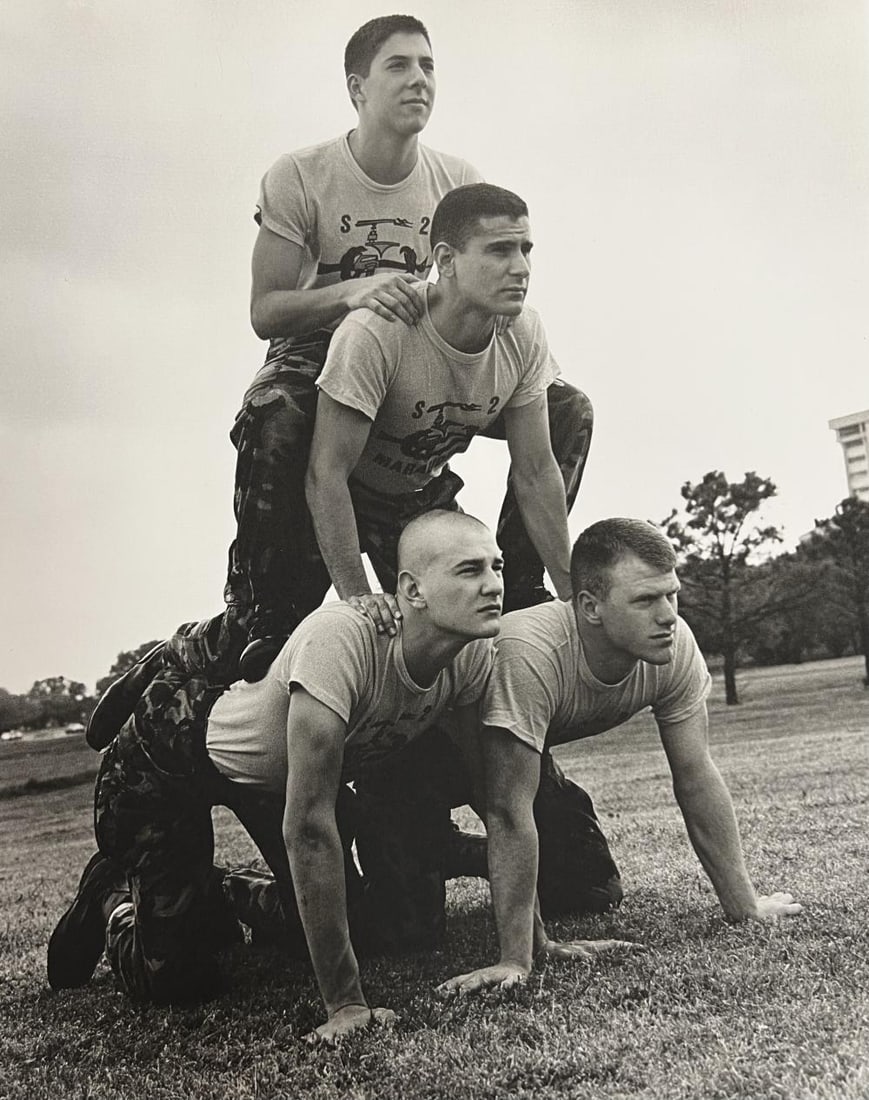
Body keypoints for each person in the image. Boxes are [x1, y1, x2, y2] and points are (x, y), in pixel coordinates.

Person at [216, 13, 593, 681]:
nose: (418, 79)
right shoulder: (302, 176)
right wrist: (352, 292)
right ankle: (261, 609)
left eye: (427, 65)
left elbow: (469, 294)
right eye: (398, 66)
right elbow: (265, 311)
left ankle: (525, 582)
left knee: (567, 407)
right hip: (322, 346)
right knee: (276, 413)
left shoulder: (454, 178)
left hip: (419, 352)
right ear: (357, 88)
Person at [48, 512, 503, 1043]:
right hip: (173, 747)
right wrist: (346, 1005)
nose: (493, 584)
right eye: (470, 570)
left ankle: (214, 890)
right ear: (412, 590)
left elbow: (498, 801)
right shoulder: (342, 640)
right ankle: (111, 894)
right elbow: (308, 827)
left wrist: (526, 948)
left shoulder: (472, 658)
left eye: (497, 566)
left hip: (270, 776)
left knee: (353, 925)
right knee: (177, 980)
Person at [438, 518, 804, 995]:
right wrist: (520, 958)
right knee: (400, 931)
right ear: (590, 606)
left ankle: (459, 853)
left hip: (518, 752)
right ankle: (428, 844)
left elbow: (695, 775)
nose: (668, 615)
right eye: (645, 601)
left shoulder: (674, 647)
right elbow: (505, 808)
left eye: (671, 594)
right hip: (423, 758)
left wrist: (745, 906)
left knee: (590, 889)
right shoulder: (529, 652)